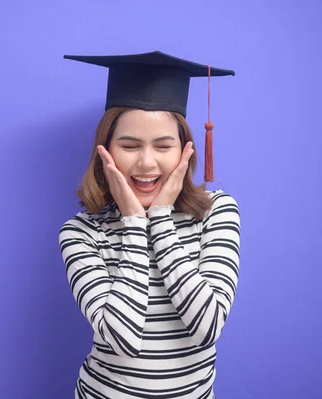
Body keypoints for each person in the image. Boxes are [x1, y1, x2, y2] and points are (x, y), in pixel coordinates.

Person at [58, 51, 241, 399]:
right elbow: (122, 339)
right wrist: (133, 223)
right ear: (105, 150)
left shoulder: (217, 212)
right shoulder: (81, 233)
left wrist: (159, 220)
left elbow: (207, 327)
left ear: (185, 150)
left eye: (163, 145)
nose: (146, 162)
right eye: (129, 145)